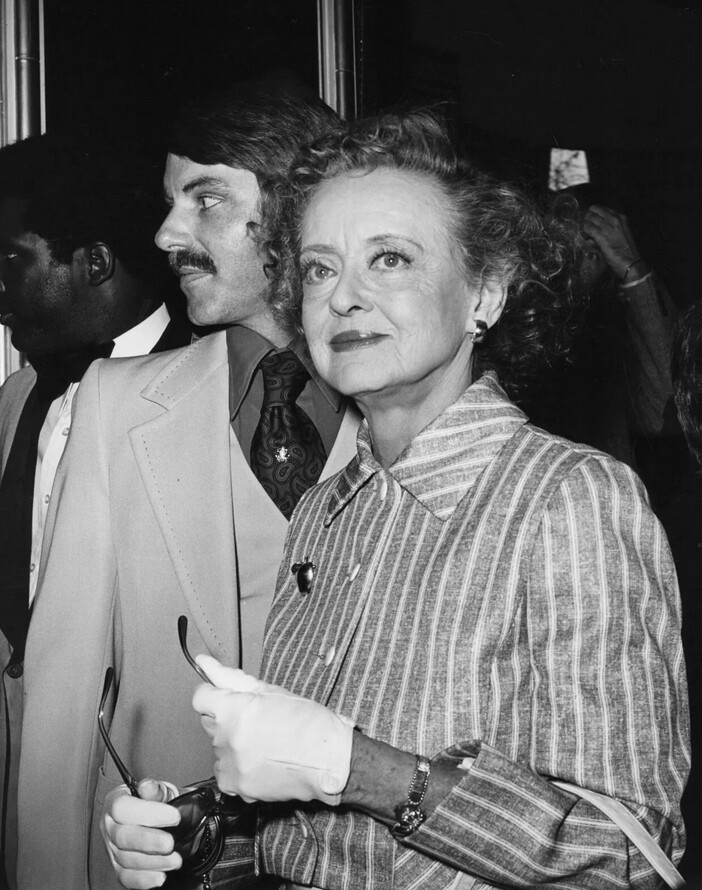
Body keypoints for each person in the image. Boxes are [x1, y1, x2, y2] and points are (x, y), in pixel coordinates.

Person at [103, 112, 688, 889]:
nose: (344, 297)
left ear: (485, 293)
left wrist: (357, 767)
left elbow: (630, 858)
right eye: (319, 269)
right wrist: (199, 844)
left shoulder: (567, 500)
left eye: (390, 259)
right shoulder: (322, 513)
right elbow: (316, 840)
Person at [17, 86, 359, 890]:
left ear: (298, 209)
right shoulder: (113, 405)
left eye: (205, 199)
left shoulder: (402, 408)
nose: (167, 234)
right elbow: (61, 708)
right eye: (171, 203)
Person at [0, 134, 192, 889]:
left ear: (96, 263)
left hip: (138, 785)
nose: (0, 290)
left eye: (12, 260)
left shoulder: (207, 395)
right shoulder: (18, 396)